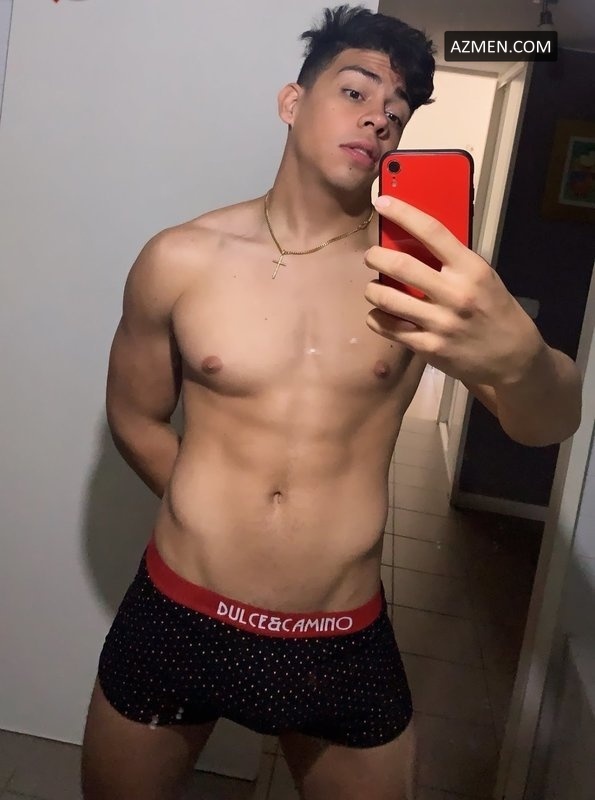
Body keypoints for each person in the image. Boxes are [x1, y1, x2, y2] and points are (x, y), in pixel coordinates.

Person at [80, 5, 582, 799]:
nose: (378, 118)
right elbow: (134, 417)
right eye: (355, 92)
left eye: (396, 112)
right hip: (179, 609)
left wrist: (522, 363)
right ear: (292, 101)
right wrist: (214, 511)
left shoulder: (418, 280)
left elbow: (548, 422)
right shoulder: (180, 259)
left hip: (335, 635)